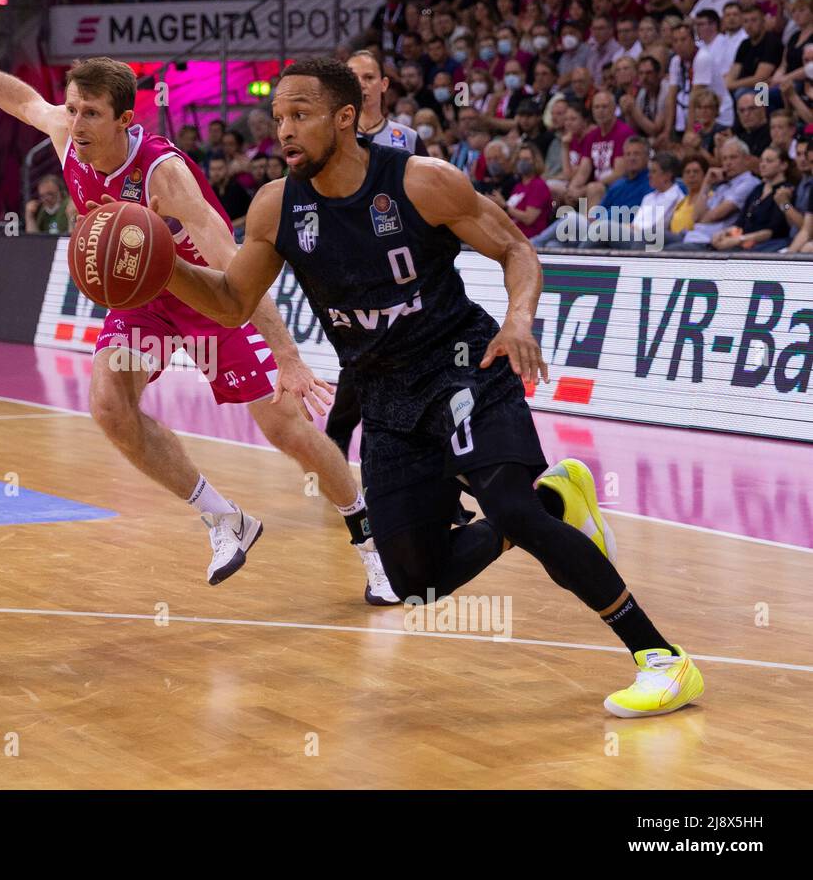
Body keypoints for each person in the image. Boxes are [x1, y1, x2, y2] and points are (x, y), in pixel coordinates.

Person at [162, 55, 704, 718]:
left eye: (299, 115)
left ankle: (661, 658)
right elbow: (230, 301)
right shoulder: (279, 207)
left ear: (346, 116)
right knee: (413, 582)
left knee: (509, 505)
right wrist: (161, 266)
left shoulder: (422, 182)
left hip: (461, 367)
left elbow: (515, 249)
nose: (284, 131)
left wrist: (520, 316)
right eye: (277, 119)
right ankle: (559, 504)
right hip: (386, 398)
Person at [0, 17, 388, 601]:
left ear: (124, 120)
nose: (73, 122)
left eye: (90, 114)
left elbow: (233, 264)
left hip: (206, 292)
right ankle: (224, 518)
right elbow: (22, 100)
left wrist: (287, 354)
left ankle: (371, 542)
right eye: (72, 108)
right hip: (145, 298)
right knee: (109, 405)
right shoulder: (66, 134)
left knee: (285, 428)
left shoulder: (165, 176)